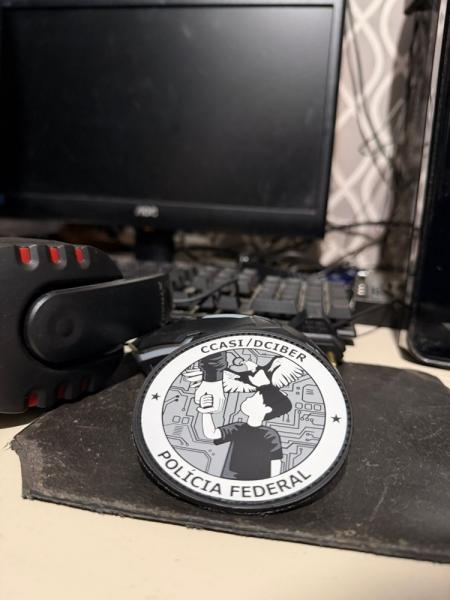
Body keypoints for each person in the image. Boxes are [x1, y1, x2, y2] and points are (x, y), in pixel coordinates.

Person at [198, 384, 292, 480]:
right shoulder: (237, 428)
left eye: (254, 398)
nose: (248, 398)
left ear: (267, 409)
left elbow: (275, 461)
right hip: (230, 480)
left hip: (257, 483)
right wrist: (206, 412)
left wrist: (272, 481)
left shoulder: (270, 435)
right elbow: (211, 434)